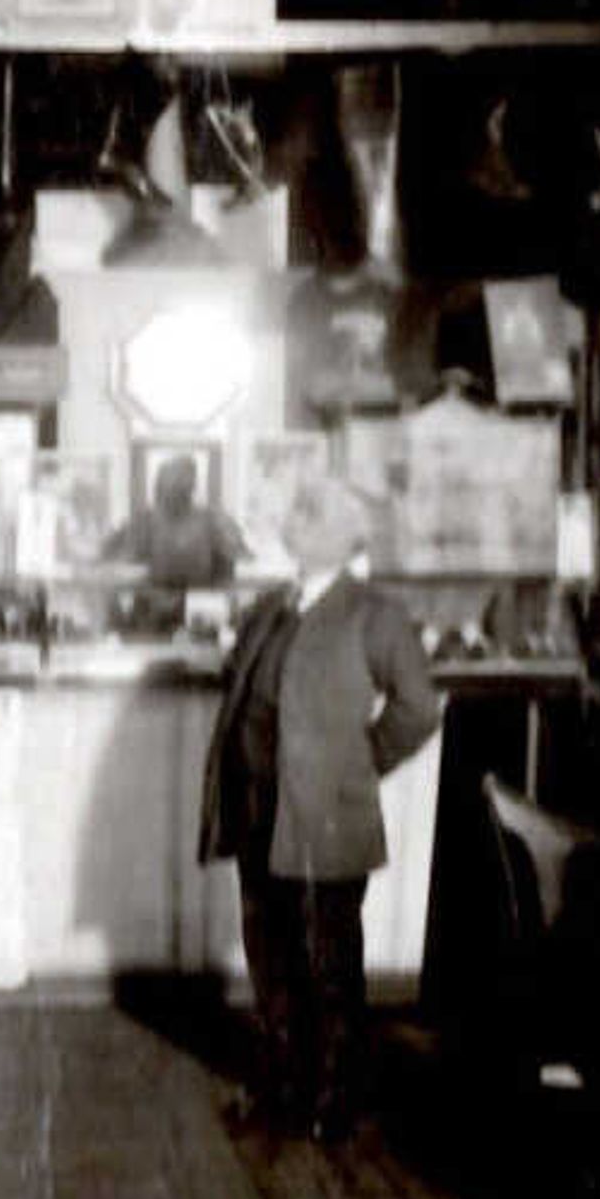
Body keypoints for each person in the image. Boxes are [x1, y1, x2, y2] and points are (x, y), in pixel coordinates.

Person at [198, 475, 443, 1141]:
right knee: (270, 956)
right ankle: (280, 1086)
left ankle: (333, 1100)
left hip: (324, 819)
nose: (295, 520)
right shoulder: (274, 606)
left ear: (344, 536)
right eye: (299, 508)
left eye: (312, 513)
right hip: (257, 813)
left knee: (327, 965)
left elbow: (419, 709)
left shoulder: (374, 614)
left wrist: (361, 764)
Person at [104, 452, 252, 587]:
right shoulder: (144, 520)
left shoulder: (213, 519)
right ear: (159, 485)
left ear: (192, 487)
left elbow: (241, 560)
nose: (176, 487)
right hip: (152, 602)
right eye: (171, 481)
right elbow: (110, 555)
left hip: (203, 601)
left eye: (182, 482)